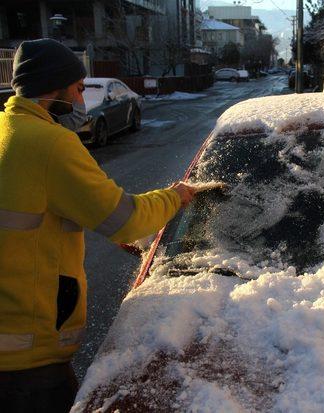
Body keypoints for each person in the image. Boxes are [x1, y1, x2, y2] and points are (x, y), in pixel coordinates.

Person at [0, 39, 196, 411]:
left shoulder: (5, 130)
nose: (81, 100)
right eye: (76, 89)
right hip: (28, 362)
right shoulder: (51, 143)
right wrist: (175, 197)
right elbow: (126, 220)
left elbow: (31, 212)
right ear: (51, 88)